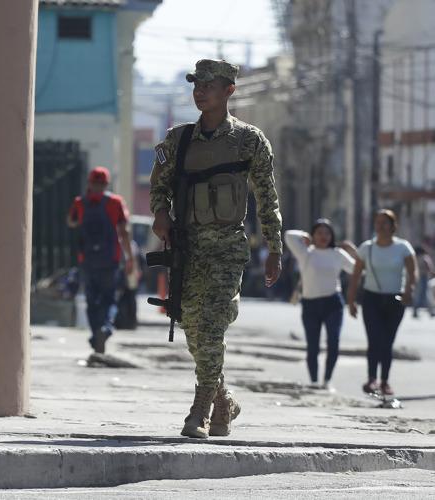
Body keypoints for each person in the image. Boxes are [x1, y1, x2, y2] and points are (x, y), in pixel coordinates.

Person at [150, 59, 283, 438]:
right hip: (188, 248)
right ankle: (223, 400)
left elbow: (267, 197)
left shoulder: (249, 140)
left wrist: (274, 247)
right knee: (193, 327)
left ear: (229, 90)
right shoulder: (178, 140)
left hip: (227, 249)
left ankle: (200, 411)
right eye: (196, 84)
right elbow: (159, 183)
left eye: (208, 85)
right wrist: (160, 212)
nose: (200, 91)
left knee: (211, 325)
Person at [347, 209, 416, 396]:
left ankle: (385, 381)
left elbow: (412, 273)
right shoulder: (366, 248)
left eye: (385, 222)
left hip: (395, 300)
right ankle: (372, 379)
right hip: (372, 299)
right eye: (378, 222)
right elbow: (356, 276)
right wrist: (351, 300)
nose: (381, 226)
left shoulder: (403, 247)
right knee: (374, 340)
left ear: (393, 226)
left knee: (387, 341)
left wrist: (409, 290)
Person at [67, 167, 135, 354]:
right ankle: (105, 328)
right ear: (107, 184)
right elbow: (125, 231)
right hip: (110, 260)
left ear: (89, 183)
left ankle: (96, 332)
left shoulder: (80, 202)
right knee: (109, 299)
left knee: (91, 301)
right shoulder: (115, 202)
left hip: (87, 260)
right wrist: (130, 258)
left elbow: (71, 222)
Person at [284, 219, 357, 390]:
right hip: (310, 305)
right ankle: (314, 381)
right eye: (319, 233)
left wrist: (353, 251)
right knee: (313, 346)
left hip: (333, 303)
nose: (323, 236)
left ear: (332, 236)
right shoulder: (305, 253)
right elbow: (288, 236)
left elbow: (357, 269)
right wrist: (304, 236)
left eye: (327, 233)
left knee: (334, 342)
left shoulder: (338, 254)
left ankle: (327, 380)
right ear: (313, 235)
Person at [412, 246, 435, 318]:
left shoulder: (415, 257)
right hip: (424, 277)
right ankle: (431, 311)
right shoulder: (425, 257)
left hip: (417, 277)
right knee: (427, 294)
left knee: (417, 294)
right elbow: (429, 267)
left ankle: (415, 310)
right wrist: (432, 273)